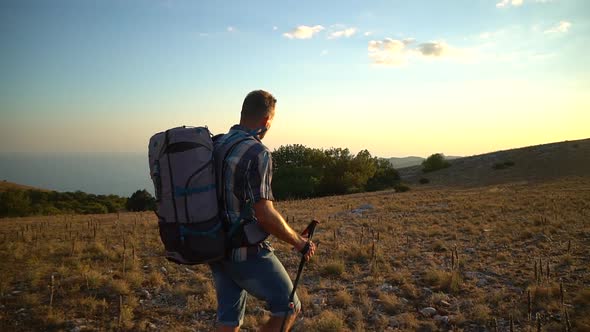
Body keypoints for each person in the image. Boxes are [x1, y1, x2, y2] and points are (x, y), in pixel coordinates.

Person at [210, 90, 317, 332]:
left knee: (228, 318)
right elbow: (265, 214)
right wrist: (299, 242)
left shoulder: (217, 144)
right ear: (267, 121)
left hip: (215, 245)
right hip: (244, 251)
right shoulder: (258, 153)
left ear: (242, 114)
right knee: (288, 306)